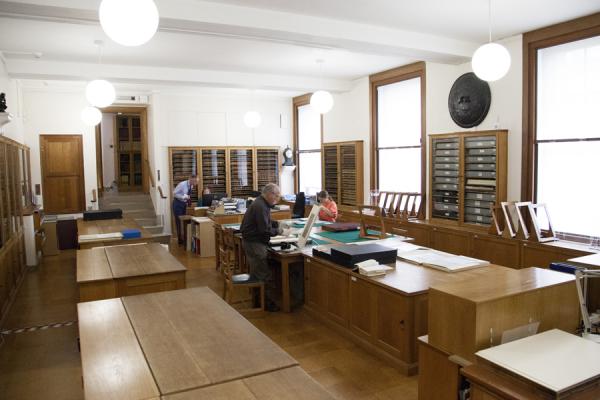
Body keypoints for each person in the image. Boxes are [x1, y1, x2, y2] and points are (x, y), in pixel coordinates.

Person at [240, 183, 289, 312]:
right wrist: (279, 232)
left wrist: (276, 223)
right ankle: (265, 304)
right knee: (263, 274)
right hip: (255, 243)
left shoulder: (261, 203)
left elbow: (265, 221)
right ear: (269, 194)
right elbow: (264, 230)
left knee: (258, 272)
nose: (277, 199)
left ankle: (258, 302)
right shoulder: (261, 206)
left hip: (252, 242)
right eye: (276, 196)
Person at [172, 175, 199, 244]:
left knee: (183, 221)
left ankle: (184, 239)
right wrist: (183, 197)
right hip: (177, 204)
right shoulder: (182, 184)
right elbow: (174, 193)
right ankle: (180, 240)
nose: (196, 183)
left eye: (197, 182)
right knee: (178, 222)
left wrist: (186, 200)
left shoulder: (191, 186)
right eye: (195, 181)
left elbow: (187, 194)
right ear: (190, 179)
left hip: (183, 204)